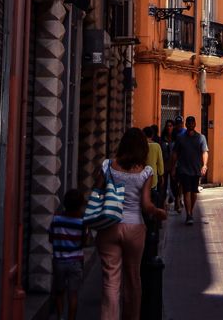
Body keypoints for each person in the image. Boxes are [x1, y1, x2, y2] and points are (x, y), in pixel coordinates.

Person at [94, 127, 167, 320]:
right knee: (133, 278)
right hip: (134, 226)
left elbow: (97, 192)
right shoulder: (145, 172)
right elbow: (145, 204)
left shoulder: (108, 166)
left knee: (110, 280)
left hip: (109, 225)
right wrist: (158, 212)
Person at [48, 188, 86, 320]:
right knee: (73, 294)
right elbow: (84, 242)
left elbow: (51, 239)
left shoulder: (56, 220)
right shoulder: (82, 223)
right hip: (75, 262)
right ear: (80, 205)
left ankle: (60, 317)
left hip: (59, 261)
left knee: (59, 292)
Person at [172, 114, 208, 226]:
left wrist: (204, 165)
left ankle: (190, 211)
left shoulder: (201, 138)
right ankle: (188, 214)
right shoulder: (180, 138)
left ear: (195, 124)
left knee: (194, 192)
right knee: (186, 191)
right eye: (189, 123)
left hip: (196, 169)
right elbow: (175, 153)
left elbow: (205, 152)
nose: (191, 124)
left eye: (192, 123)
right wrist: (173, 167)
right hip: (183, 169)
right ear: (186, 124)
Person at [160, 119, 177, 207]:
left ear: (173, 127)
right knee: (164, 184)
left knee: (174, 185)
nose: (169, 127)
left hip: (174, 165)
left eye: (170, 126)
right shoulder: (162, 139)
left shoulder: (176, 138)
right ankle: (164, 203)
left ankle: (176, 202)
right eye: (167, 126)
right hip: (164, 165)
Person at [143, 125, 164, 194]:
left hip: (141, 176)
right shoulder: (157, 146)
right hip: (153, 178)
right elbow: (160, 163)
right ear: (152, 135)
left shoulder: (140, 145)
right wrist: (161, 175)